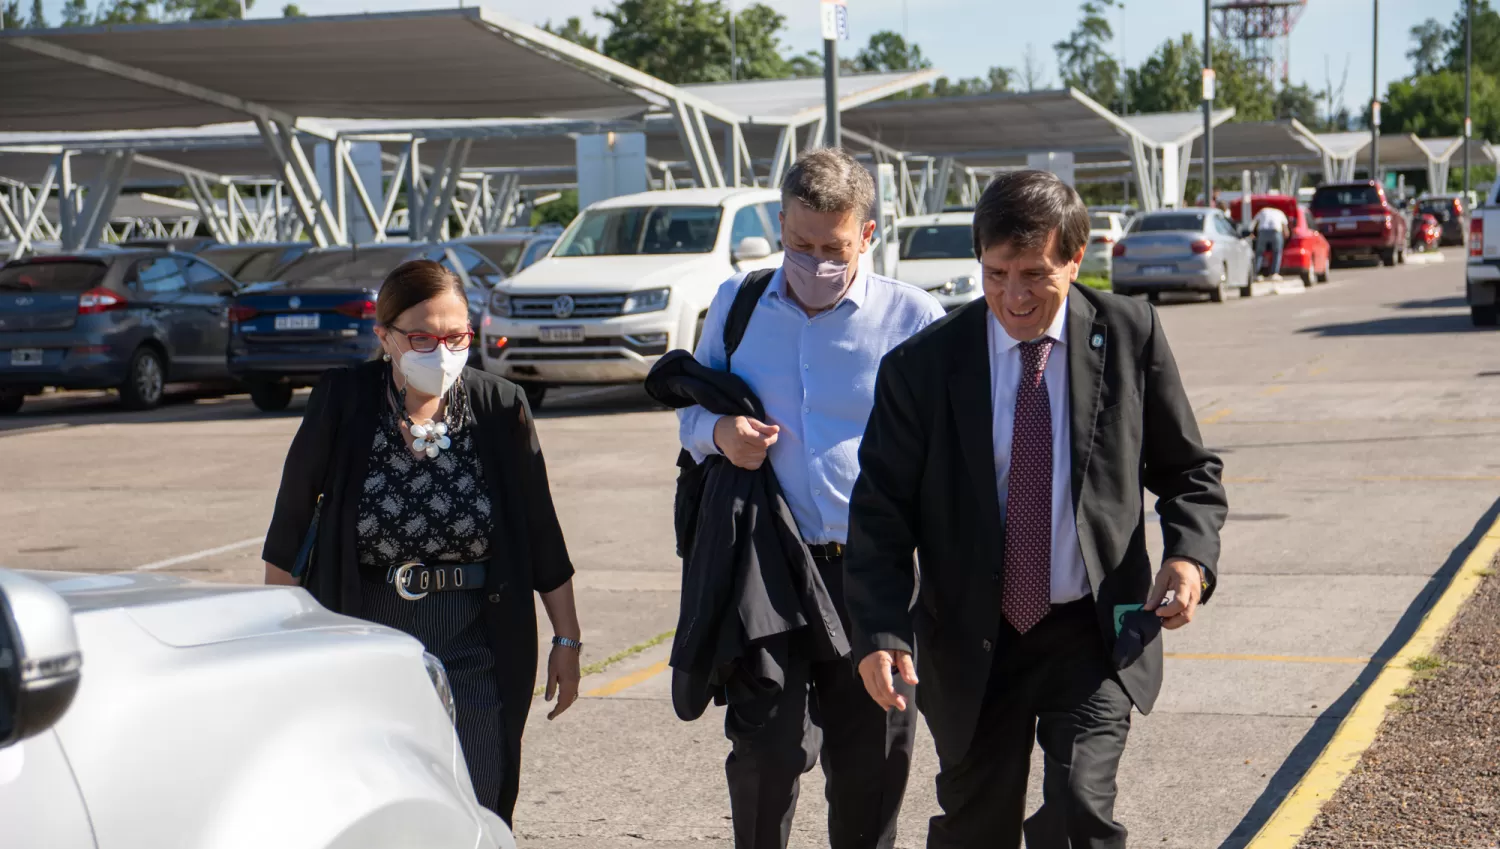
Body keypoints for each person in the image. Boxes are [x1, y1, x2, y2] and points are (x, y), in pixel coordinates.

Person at [844, 170, 1227, 849]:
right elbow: (879, 513)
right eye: (995, 273)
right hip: (970, 636)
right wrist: (878, 631)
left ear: (1076, 258)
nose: (1013, 296)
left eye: (1033, 273)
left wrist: (1189, 555)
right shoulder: (923, 366)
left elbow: (1188, 471)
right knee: (975, 828)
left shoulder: (1128, 334)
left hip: (1090, 631)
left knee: (1079, 809)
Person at [677, 147, 946, 849]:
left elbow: (952, 448)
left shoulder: (915, 317)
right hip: (768, 569)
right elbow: (688, 413)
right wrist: (719, 431)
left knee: (872, 768)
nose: (815, 260)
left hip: (876, 577)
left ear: (869, 234)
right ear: (779, 223)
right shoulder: (738, 305)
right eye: (799, 243)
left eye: (833, 246)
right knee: (765, 755)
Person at [261, 260, 582, 824]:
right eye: (422, 337)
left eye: (456, 336)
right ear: (384, 337)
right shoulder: (343, 399)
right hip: (365, 633)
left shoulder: (499, 406)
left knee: (482, 797)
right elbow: (289, 528)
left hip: (474, 631)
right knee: (377, 804)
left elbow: (540, 529)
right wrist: (278, 641)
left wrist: (567, 639)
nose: (442, 350)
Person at [1252, 202, 1291, 281]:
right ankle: (1274, 273)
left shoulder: (1263, 211)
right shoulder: (1280, 212)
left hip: (1262, 232)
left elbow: (1254, 222)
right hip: (1276, 232)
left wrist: (1253, 233)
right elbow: (1286, 231)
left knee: (1259, 253)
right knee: (1277, 252)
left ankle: (1256, 273)